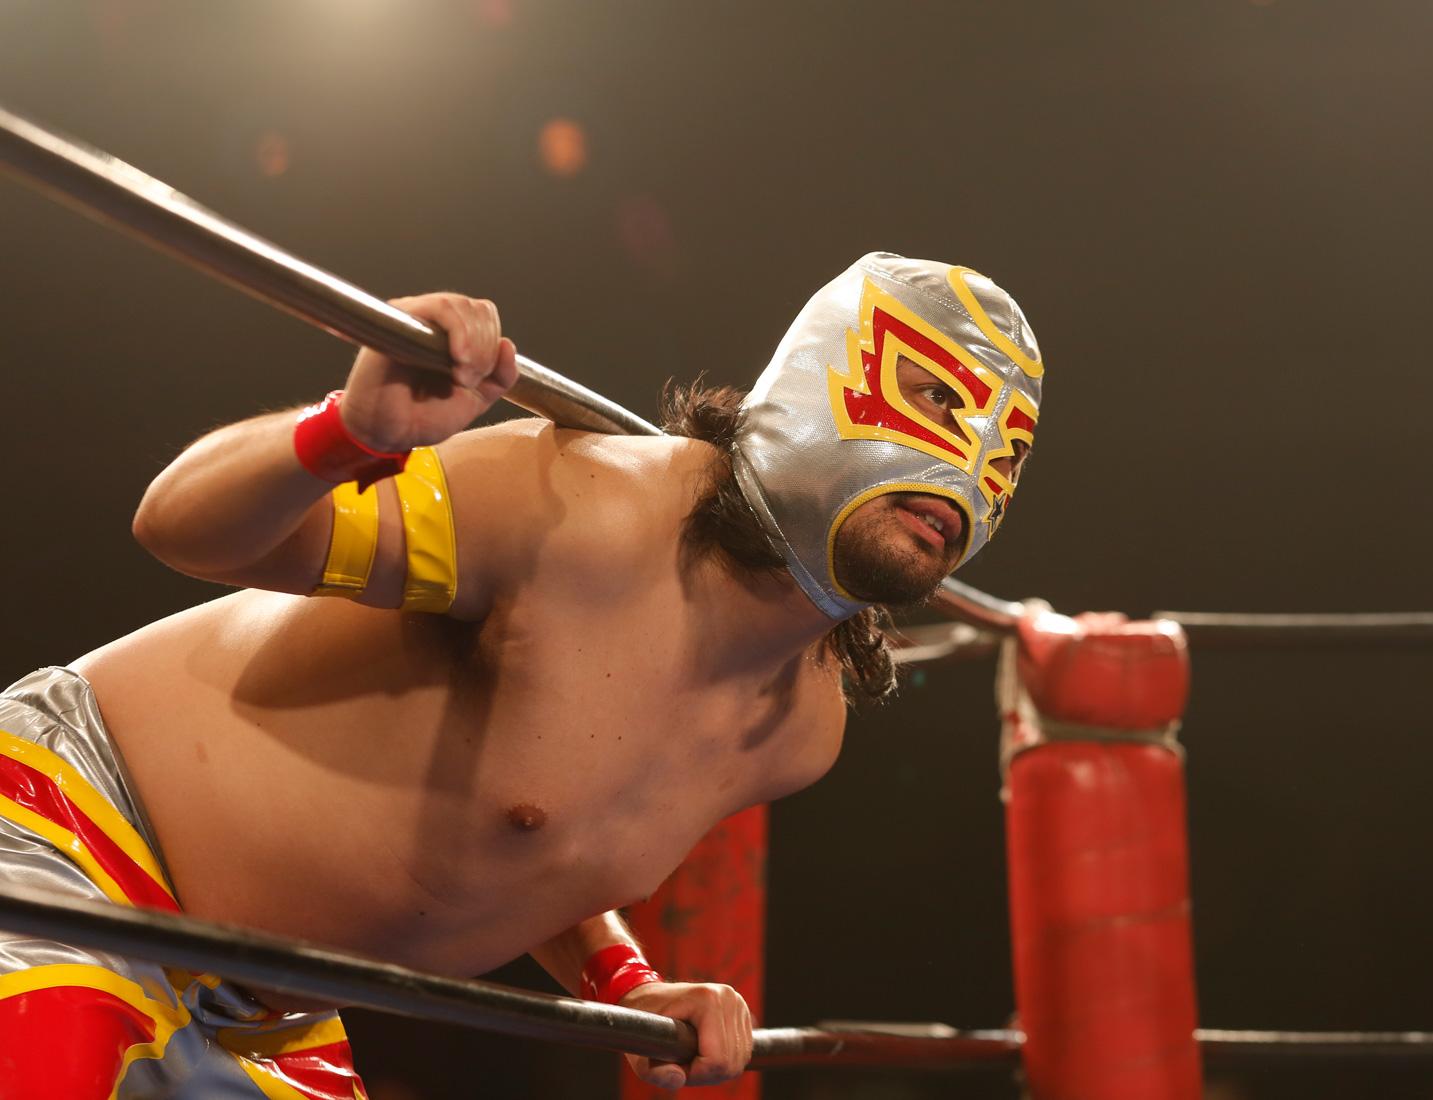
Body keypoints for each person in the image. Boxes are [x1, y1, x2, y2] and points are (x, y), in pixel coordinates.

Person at [0, 252, 1043, 1098]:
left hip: (262, 1014)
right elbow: (182, 523)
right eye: (935, 395)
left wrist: (629, 983)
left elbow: (539, 838)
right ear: (824, 375)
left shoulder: (801, 728)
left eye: (1008, 450)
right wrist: (347, 433)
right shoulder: (575, 509)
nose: (971, 464)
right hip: (68, 839)